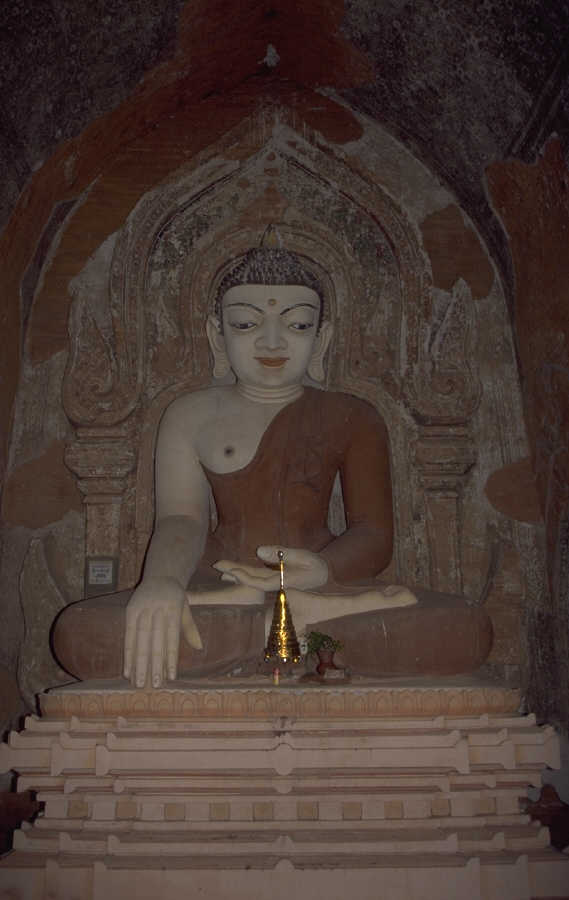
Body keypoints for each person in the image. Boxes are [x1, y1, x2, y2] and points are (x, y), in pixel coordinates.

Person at [52, 239, 492, 687]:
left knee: (465, 627)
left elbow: (374, 535)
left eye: (297, 325)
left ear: (321, 338)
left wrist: (321, 571)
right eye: (245, 324)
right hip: (222, 586)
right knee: (84, 632)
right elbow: (181, 519)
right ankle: (296, 627)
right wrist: (162, 582)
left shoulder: (354, 416)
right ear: (217, 335)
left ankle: (287, 621)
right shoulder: (189, 414)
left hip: (323, 582)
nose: (272, 341)